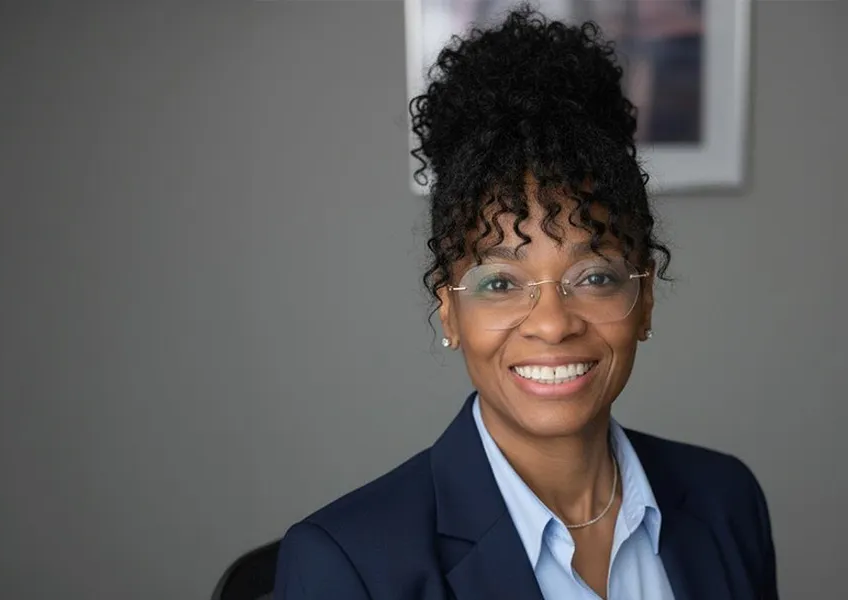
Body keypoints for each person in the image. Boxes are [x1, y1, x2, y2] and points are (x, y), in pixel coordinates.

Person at [275, 8, 777, 600]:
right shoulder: (346, 564)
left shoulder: (726, 501)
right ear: (449, 313)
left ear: (644, 301)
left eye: (593, 277)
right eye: (500, 283)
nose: (552, 323)